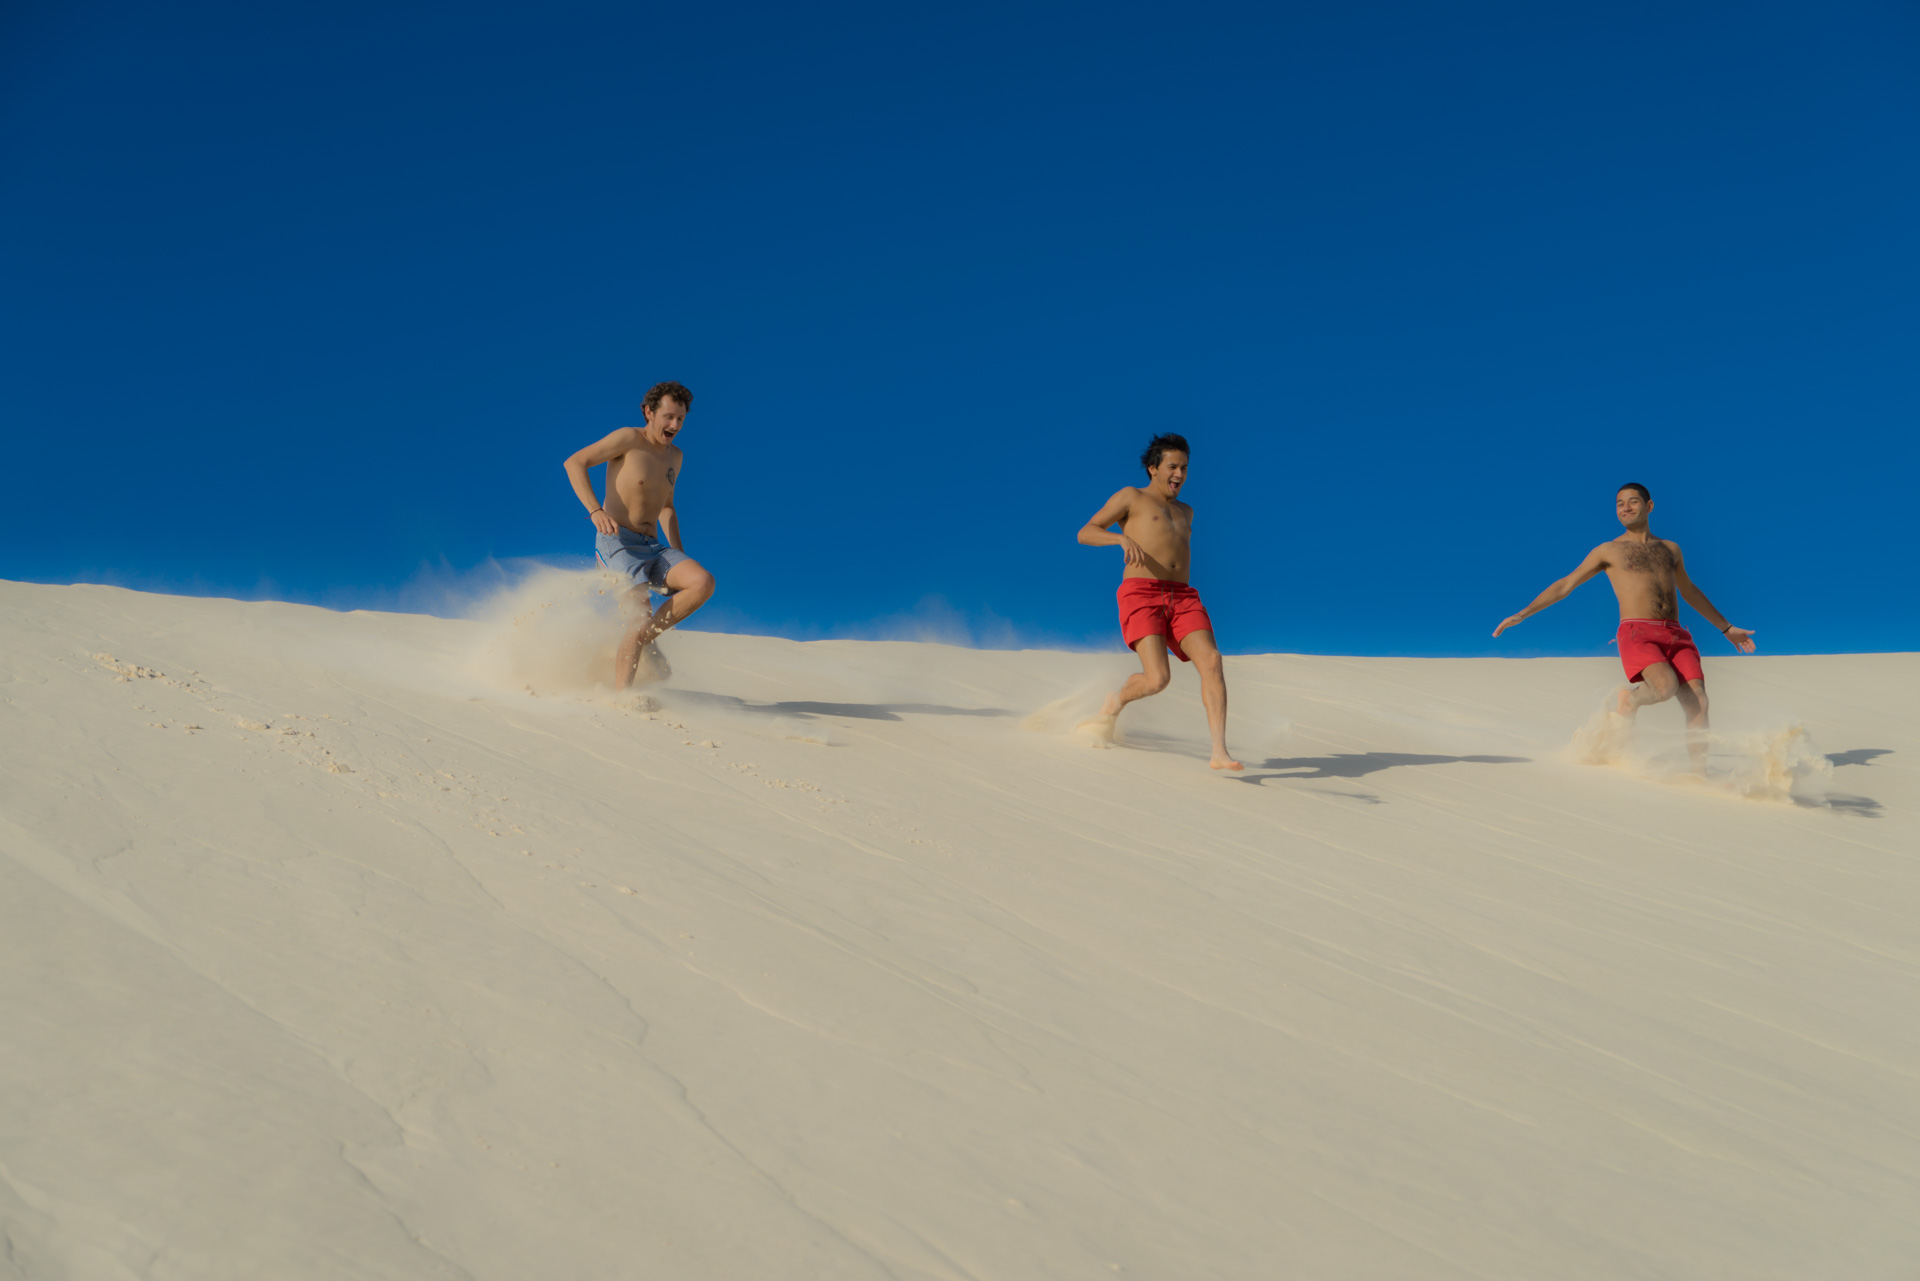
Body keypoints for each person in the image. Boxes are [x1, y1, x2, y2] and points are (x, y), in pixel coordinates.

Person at [1493, 483, 1756, 772]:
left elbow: (1690, 591)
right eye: (1620, 504)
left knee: (1699, 700)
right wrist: (1523, 614)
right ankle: (1629, 699)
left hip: (1677, 633)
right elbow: (1566, 584)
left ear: (1649, 506)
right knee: (1665, 686)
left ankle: (1699, 774)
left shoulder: (1671, 549)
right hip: (1637, 632)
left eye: (1632, 502)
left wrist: (1726, 628)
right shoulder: (1608, 550)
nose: (1626, 508)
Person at [1076, 433, 1242, 770]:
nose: (1179, 474)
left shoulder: (1186, 511)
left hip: (1183, 597)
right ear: (1153, 468)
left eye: (1184, 467)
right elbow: (1086, 531)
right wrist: (1119, 538)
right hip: (1142, 592)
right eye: (1172, 466)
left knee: (1211, 660)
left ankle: (1219, 752)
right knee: (1157, 679)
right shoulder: (1131, 497)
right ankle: (1116, 700)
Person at [562, 381, 717, 689]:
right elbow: (574, 462)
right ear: (649, 412)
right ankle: (623, 698)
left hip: (653, 546)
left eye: (681, 420)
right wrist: (596, 511)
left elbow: (667, 507)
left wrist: (679, 552)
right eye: (668, 416)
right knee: (638, 617)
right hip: (617, 541)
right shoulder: (628, 438)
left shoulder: (676, 457)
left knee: (702, 583)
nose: (674, 425)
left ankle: (643, 641)